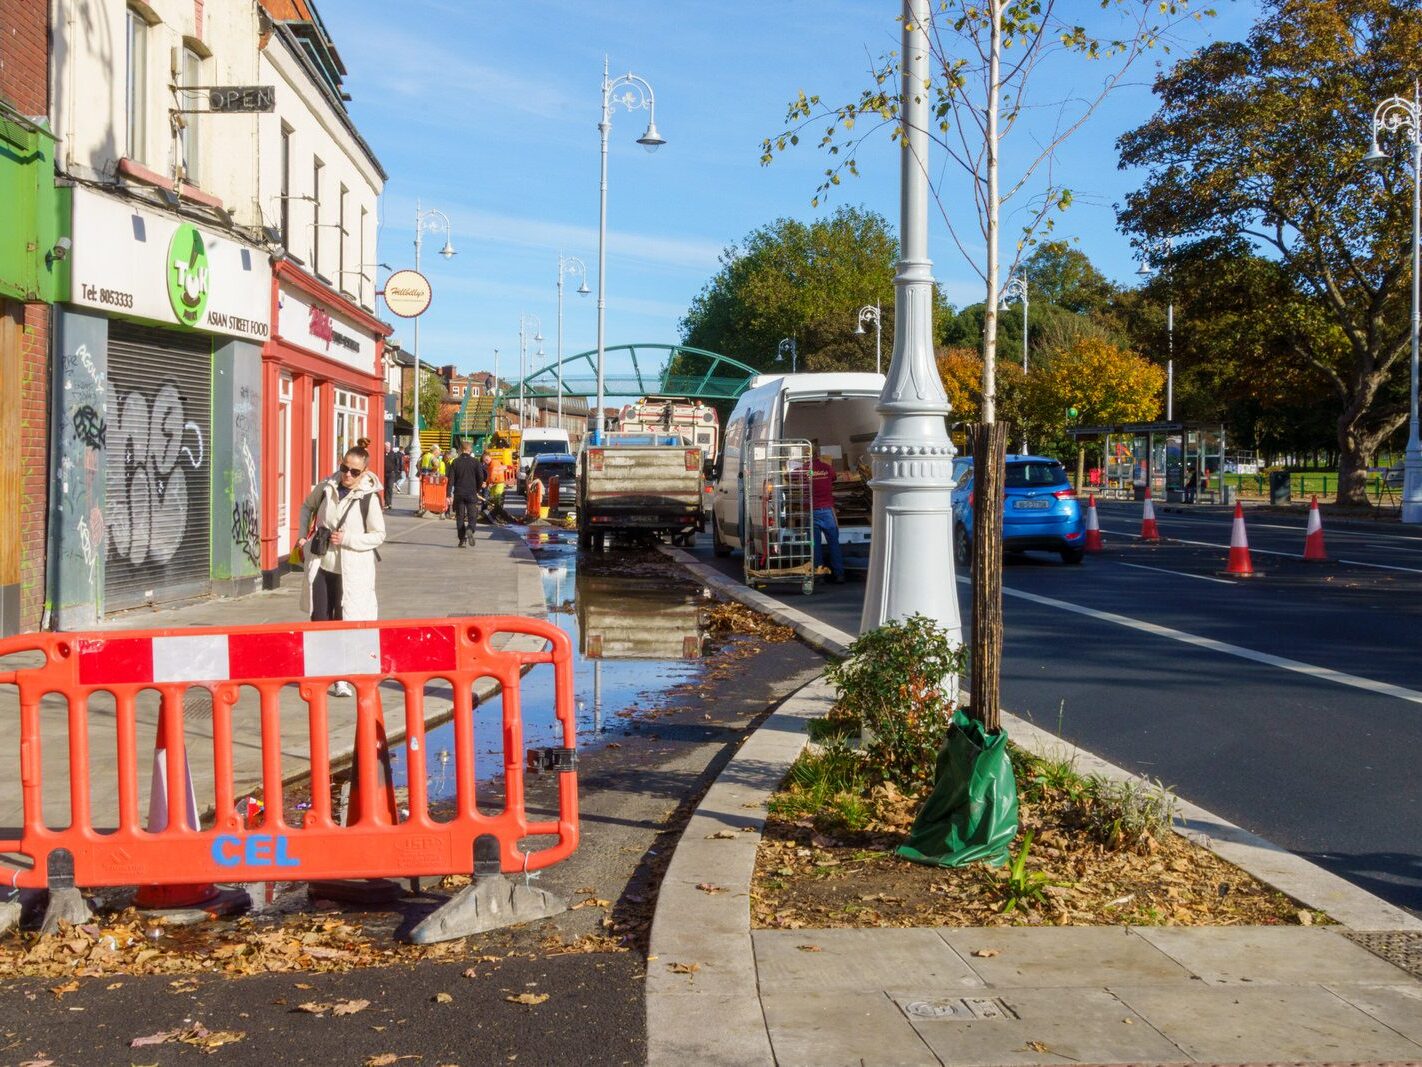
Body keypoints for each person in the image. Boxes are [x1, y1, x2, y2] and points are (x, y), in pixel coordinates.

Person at [298, 447, 387, 695]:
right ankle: (321, 674)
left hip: (352, 570)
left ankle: (342, 678)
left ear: (364, 471)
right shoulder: (328, 486)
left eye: (354, 471)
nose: (347, 474)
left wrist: (348, 539)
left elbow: (379, 535)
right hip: (322, 562)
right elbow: (307, 507)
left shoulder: (369, 497)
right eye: (344, 467)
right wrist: (301, 538)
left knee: (344, 621)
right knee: (319, 620)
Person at [808, 441, 845, 584]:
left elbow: (790, 476)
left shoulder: (804, 470)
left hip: (812, 511)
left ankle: (819, 574)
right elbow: (834, 477)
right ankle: (839, 574)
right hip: (828, 511)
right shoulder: (827, 468)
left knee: (815, 545)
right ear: (818, 454)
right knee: (834, 543)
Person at [448, 440, 486, 546]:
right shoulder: (475, 462)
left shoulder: (455, 462)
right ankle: (470, 528)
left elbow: (450, 480)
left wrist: (448, 495)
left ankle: (462, 540)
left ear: (461, 449)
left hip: (459, 493)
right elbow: (480, 477)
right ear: (470, 450)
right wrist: (477, 489)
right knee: (472, 515)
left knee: (460, 517)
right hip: (471, 493)